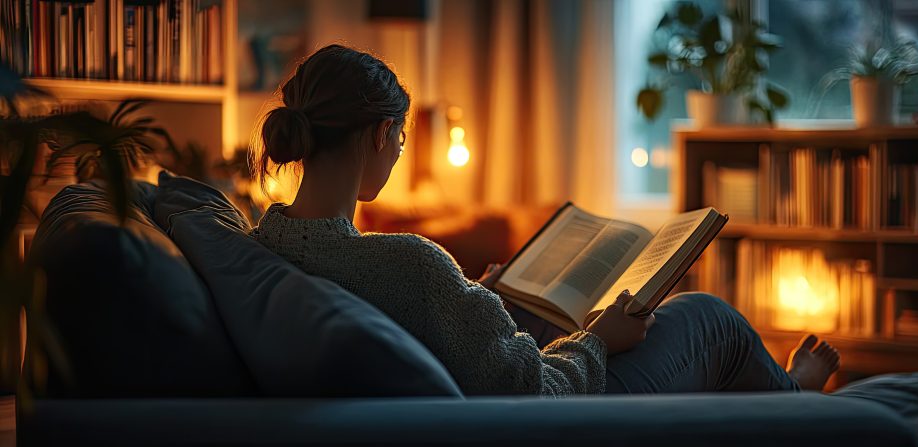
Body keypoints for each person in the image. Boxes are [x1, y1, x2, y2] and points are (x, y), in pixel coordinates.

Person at [250, 44, 840, 396]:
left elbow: (409, 314)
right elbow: (534, 391)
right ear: (380, 133)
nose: (400, 150)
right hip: (564, 399)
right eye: (400, 136)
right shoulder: (406, 260)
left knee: (541, 301)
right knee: (710, 318)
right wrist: (596, 340)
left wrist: (473, 295)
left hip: (483, 366)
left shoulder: (264, 244)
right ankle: (797, 398)